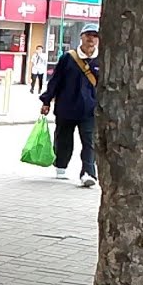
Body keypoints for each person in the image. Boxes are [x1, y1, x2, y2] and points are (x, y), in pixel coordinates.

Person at [39, 24, 99, 187]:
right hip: (66, 107)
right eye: (88, 35)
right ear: (81, 37)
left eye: (94, 36)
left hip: (90, 110)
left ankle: (88, 172)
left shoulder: (101, 59)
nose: (91, 39)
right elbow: (56, 81)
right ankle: (61, 166)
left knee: (89, 141)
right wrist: (46, 101)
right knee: (63, 139)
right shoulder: (68, 58)